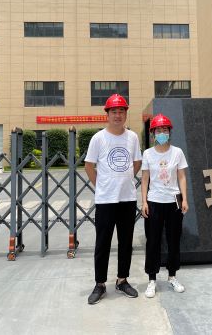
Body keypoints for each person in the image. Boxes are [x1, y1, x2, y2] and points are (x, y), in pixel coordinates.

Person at [85, 94, 142, 305]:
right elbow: (89, 166)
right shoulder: (98, 138)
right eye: (114, 111)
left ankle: (122, 280)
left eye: (121, 111)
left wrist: (125, 178)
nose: (118, 115)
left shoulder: (132, 137)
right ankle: (100, 283)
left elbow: (137, 162)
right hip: (106, 199)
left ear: (126, 114)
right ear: (107, 114)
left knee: (126, 242)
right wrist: (101, 185)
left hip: (127, 198)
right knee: (103, 242)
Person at [141, 113, 188, 298]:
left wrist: (185, 199)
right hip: (154, 201)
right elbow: (145, 179)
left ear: (169, 132)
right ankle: (152, 279)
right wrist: (144, 201)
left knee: (173, 240)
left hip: (174, 202)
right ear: (153, 133)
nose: (162, 133)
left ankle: (172, 276)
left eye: (165, 129)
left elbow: (182, 177)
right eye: (158, 130)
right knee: (153, 241)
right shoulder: (148, 154)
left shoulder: (177, 152)